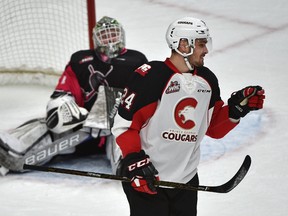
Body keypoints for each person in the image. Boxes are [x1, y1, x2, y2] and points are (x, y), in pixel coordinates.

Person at [111, 16, 265, 216]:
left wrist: (235, 111)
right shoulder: (152, 76)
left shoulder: (207, 80)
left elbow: (213, 128)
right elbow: (124, 126)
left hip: (186, 181)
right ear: (183, 45)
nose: (206, 50)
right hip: (145, 177)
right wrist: (134, 161)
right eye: (201, 44)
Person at [0, 16, 148, 176]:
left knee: (126, 138)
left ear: (121, 35)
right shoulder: (80, 61)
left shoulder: (136, 60)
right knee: (45, 125)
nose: (110, 39)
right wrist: (65, 109)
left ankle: (130, 167)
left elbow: (147, 97)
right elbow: (62, 92)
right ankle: (11, 150)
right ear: (96, 39)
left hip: (117, 129)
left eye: (113, 34)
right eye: (105, 35)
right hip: (83, 131)